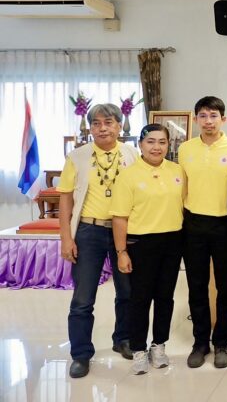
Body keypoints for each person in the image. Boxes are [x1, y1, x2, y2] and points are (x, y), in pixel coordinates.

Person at [58, 103, 138, 378]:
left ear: (119, 125)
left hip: (122, 231)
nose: (102, 128)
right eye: (96, 123)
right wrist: (66, 238)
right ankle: (80, 354)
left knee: (127, 291)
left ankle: (123, 339)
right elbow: (65, 199)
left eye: (108, 122)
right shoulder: (77, 157)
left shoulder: (132, 154)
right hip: (88, 232)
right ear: (90, 128)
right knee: (83, 298)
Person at [178, 96, 227, 369]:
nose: (208, 121)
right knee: (196, 286)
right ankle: (200, 342)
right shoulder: (185, 149)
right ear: (196, 119)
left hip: (226, 225)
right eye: (203, 116)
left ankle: (222, 342)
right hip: (193, 225)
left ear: (223, 119)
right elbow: (182, 187)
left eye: (213, 116)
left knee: (225, 287)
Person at [110, 124, 184, 375]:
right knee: (139, 299)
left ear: (168, 145)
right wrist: (121, 252)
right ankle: (139, 349)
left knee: (165, 297)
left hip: (172, 242)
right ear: (141, 145)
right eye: (150, 141)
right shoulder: (128, 175)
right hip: (141, 244)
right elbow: (119, 217)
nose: (156, 147)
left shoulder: (177, 171)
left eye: (162, 142)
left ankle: (159, 345)